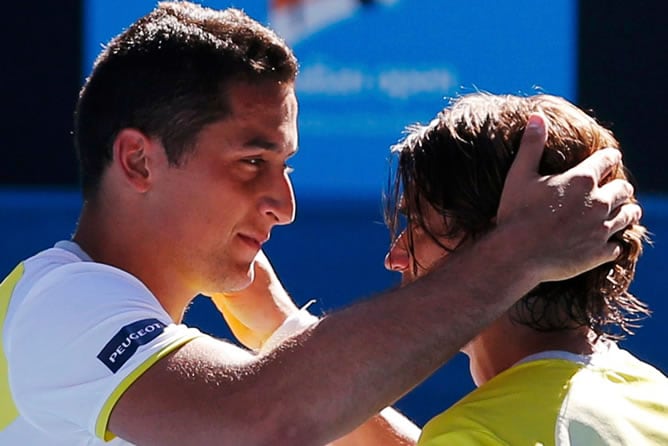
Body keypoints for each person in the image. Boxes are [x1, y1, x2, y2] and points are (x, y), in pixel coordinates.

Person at [0, 2, 640, 445]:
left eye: (286, 166)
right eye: (252, 162)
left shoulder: (166, 369)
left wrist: (279, 326)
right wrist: (521, 251)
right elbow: (265, 418)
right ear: (138, 160)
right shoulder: (60, 302)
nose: (284, 203)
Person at [384, 92, 668, 445]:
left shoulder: (471, 433)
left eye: (417, 223)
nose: (395, 257)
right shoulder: (658, 400)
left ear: (498, 238)